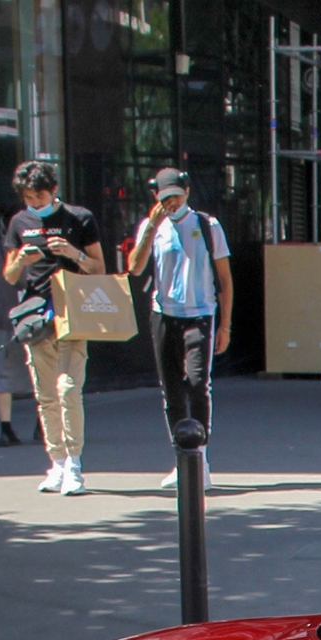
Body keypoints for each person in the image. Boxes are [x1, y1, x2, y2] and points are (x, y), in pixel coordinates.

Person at [2, 160, 102, 495]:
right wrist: (20, 260)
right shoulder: (19, 222)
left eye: (40, 196)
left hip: (72, 312)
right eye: (28, 198)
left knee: (69, 389)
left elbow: (99, 268)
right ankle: (56, 462)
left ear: (54, 190)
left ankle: (74, 464)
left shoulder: (79, 218)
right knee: (46, 395)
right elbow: (9, 275)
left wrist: (73, 253)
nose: (34, 203)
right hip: (36, 316)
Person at [135, 167, 231, 490]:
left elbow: (225, 277)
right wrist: (150, 226)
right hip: (164, 314)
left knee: (197, 382)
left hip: (200, 313)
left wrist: (225, 325)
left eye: (175, 196)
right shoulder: (154, 228)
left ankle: (200, 456)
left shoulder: (207, 225)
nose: (171, 203)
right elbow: (134, 266)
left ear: (187, 191)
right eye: (164, 198)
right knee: (171, 389)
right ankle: (181, 456)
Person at [0, 234, 30, 447]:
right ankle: (42, 425)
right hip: (31, 317)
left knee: (2, 372)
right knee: (43, 370)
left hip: (2, 315)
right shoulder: (32, 247)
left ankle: (6, 427)